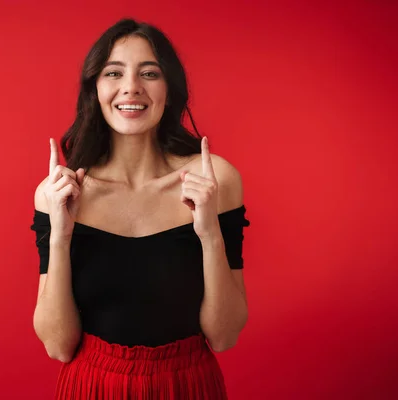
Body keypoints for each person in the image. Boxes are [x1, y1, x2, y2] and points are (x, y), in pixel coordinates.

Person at [30, 18, 250, 399]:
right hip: (93, 387)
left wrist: (210, 233)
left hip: (187, 385)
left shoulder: (216, 180)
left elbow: (224, 335)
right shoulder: (61, 192)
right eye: (113, 72)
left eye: (149, 73)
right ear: (95, 89)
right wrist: (60, 237)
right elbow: (59, 346)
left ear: (170, 89)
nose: (131, 86)